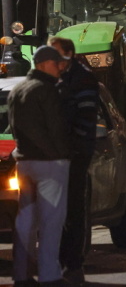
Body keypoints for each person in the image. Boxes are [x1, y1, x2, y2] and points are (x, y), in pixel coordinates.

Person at [9, 46, 72, 287]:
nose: (61, 68)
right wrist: (60, 153)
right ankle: (49, 275)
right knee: (51, 221)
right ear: (45, 64)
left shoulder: (18, 90)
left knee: (26, 221)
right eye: (58, 64)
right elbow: (55, 128)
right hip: (49, 164)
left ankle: (21, 274)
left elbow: (17, 128)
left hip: (24, 162)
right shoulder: (47, 90)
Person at [48, 36, 100, 285]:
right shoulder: (57, 77)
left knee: (72, 210)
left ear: (68, 53)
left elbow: (86, 116)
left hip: (75, 153)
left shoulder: (82, 78)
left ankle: (73, 264)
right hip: (56, 154)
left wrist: (70, 146)